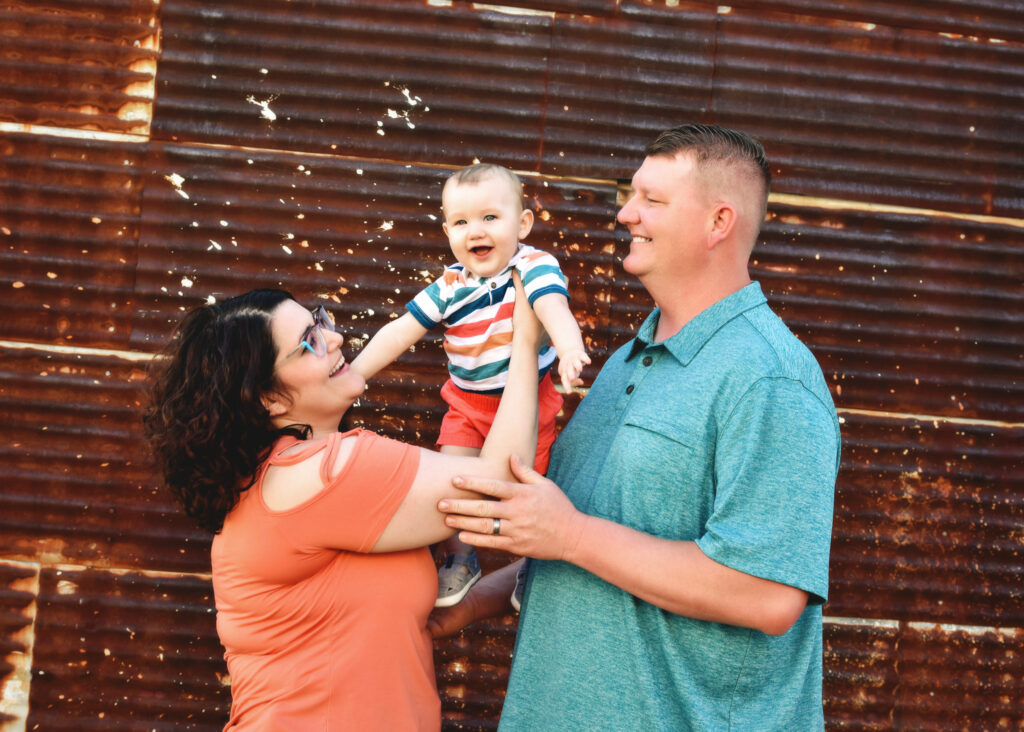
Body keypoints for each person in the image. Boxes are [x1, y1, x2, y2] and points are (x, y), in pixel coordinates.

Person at [435, 124, 841, 730]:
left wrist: (568, 534)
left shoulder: (769, 379)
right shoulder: (629, 358)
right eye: (630, 196)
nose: (625, 213)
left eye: (651, 200)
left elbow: (769, 596)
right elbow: (602, 539)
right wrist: (476, 602)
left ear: (718, 223)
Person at [143, 277, 544, 731]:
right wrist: (524, 340)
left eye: (319, 321)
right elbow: (497, 487)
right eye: (308, 343)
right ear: (270, 398)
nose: (334, 338)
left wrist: (566, 555)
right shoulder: (320, 472)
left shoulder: (278, 477)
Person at [351, 163, 589, 608]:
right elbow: (402, 330)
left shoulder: (532, 264)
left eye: (489, 218)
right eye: (461, 222)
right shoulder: (451, 284)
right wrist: (355, 374)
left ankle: (532, 569)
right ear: (447, 231)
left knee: (526, 487)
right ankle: (460, 558)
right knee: (453, 481)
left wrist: (569, 346)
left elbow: (553, 305)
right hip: (465, 401)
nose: (474, 231)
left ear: (522, 224)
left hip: (527, 402)